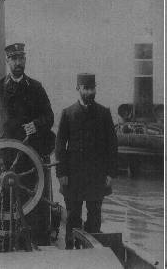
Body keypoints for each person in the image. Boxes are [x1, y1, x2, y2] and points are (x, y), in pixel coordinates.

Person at [0, 43, 55, 246]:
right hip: (5, 156)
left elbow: (49, 117)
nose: (18, 63)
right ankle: (4, 239)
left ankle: (28, 240)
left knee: (30, 197)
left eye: (21, 58)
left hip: (29, 155)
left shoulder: (36, 87)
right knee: (4, 197)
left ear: (25, 60)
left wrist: (36, 124)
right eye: (14, 59)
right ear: (8, 61)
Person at [55, 73, 118, 249]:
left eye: (93, 88)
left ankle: (92, 253)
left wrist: (110, 173)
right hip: (73, 177)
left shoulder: (104, 113)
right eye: (86, 88)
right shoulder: (68, 113)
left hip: (97, 176)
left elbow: (112, 145)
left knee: (94, 215)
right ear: (78, 89)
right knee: (73, 215)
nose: (90, 92)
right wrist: (61, 173)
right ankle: (70, 249)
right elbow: (60, 146)